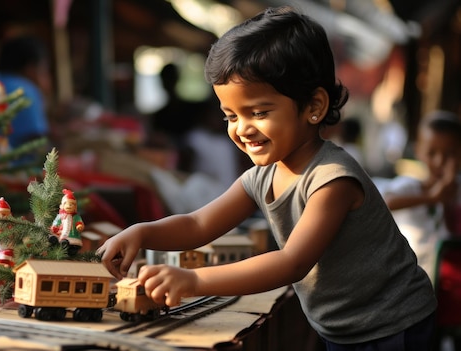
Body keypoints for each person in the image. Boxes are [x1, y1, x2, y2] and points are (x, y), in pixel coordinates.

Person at [98, 6, 437, 350]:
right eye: (230, 115)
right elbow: (199, 224)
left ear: (314, 106)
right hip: (342, 328)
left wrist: (194, 280)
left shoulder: (332, 180)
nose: (242, 129)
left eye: (259, 112)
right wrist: (140, 232)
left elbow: (291, 263)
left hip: (394, 325)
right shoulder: (262, 177)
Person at [381, 110, 461, 281]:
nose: (439, 162)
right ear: (418, 151)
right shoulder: (408, 186)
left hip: (447, 284)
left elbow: (453, 233)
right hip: (409, 281)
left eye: (449, 154)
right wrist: (432, 198)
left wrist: (447, 198)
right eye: (432, 153)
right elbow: (386, 203)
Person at [0, 35, 50, 149]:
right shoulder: (25, 90)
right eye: (44, 69)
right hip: (14, 165)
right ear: (31, 69)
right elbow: (38, 146)